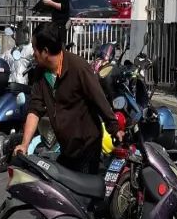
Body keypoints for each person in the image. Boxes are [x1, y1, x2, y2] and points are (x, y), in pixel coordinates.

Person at [14, 21, 120, 174]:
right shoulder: (40, 73)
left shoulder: (79, 67)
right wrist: (24, 144)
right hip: (66, 148)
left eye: (35, 48)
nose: (33, 53)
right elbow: (35, 109)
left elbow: (99, 100)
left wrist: (115, 129)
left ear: (45, 51)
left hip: (87, 147)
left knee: (80, 188)